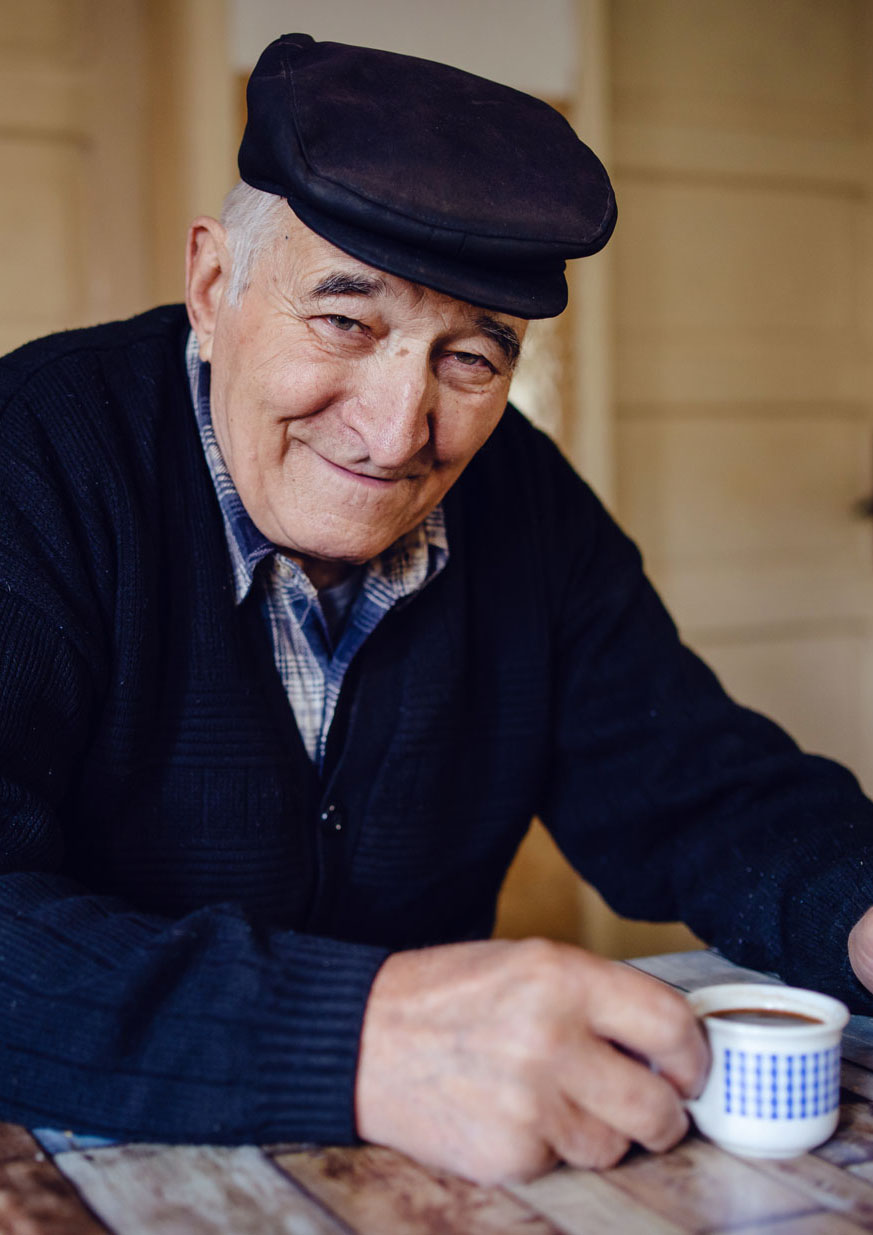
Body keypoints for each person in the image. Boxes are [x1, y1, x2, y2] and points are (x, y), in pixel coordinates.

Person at [1, 31, 873, 1185]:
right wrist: (361, 1033)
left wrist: (859, 900)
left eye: (470, 358)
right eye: (346, 322)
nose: (396, 427)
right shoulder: (37, 460)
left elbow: (696, 786)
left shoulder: (525, 500)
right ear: (215, 287)